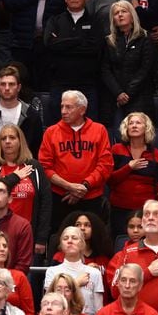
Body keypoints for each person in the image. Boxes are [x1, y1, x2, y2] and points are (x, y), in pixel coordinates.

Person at [38, 90, 113, 228]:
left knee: (93, 242)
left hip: (92, 198)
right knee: (61, 240)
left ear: (82, 109)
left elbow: (105, 165)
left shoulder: (99, 130)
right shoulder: (51, 132)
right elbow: (45, 167)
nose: (63, 111)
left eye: (69, 107)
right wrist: (69, 187)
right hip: (60, 197)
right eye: (62, 106)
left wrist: (84, 187)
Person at [44, 229, 104, 315]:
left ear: (82, 244)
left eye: (74, 238)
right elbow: (50, 302)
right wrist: (76, 283)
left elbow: (99, 309)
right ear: (61, 245)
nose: (70, 241)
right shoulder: (52, 272)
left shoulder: (94, 273)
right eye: (65, 238)